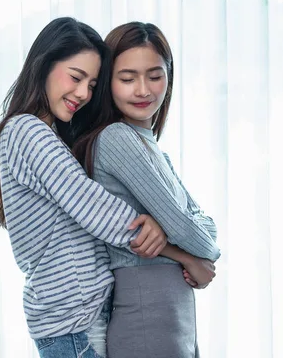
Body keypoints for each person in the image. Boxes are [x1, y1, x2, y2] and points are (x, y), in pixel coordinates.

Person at [0, 16, 171, 358]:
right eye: (76, 77)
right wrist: (176, 245)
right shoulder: (25, 130)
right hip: (71, 325)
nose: (83, 93)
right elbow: (97, 209)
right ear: (43, 66)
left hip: (80, 321)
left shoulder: (52, 135)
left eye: (91, 83)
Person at [73, 21, 221, 357]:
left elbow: (203, 225)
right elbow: (191, 230)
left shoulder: (153, 147)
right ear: (107, 82)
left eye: (155, 75)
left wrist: (183, 237)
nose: (143, 90)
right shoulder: (117, 138)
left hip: (170, 308)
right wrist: (198, 251)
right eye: (127, 78)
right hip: (147, 306)